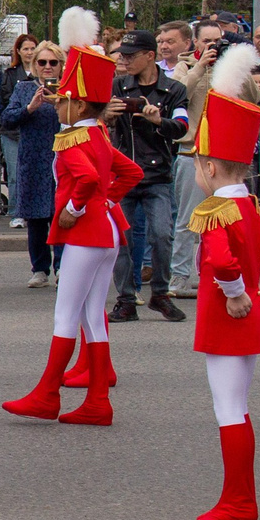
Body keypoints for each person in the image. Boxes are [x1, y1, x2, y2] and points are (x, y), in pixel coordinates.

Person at [4, 9, 140, 426]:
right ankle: (98, 400)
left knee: (68, 314)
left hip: (84, 233)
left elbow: (81, 179)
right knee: (93, 314)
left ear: (79, 102)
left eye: (64, 100)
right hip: (107, 231)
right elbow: (129, 172)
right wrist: (104, 202)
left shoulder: (71, 138)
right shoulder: (97, 132)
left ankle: (48, 394)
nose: (59, 105)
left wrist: (74, 210)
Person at [181, 46, 260, 520]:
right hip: (251, 318)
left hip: (228, 320)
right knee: (239, 407)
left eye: (198, 165)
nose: (196, 173)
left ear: (213, 169)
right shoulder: (253, 207)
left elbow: (220, 260)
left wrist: (238, 288)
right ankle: (241, 498)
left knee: (229, 411)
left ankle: (239, 503)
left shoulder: (215, 209)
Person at [105, 29, 188, 323]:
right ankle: (126, 300)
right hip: (123, 174)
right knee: (123, 239)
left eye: (130, 56)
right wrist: (108, 115)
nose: (124, 61)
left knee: (162, 235)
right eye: (122, 55)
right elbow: (94, 120)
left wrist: (159, 121)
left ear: (149, 56)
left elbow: (182, 126)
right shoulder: (116, 86)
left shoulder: (175, 89)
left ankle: (161, 294)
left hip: (157, 175)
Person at [0, 40, 62, 285]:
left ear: (61, 65)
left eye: (53, 62)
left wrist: (60, 104)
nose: (47, 67)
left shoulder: (68, 89)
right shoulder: (24, 88)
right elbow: (7, 118)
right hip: (33, 159)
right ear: (34, 64)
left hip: (61, 158)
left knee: (60, 215)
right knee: (36, 218)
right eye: (42, 62)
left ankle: (62, 267)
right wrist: (29, 108)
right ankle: (40, 268)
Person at [0, 33, 39, 229]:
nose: (29, 52)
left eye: (32, 48)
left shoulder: (42, 73)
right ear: (18, 51)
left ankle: (35, 211)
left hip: (34, 131)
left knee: (35, 172)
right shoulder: (10, 74)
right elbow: (7, 99)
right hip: (13, 132)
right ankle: (16, 212)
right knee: (14, 173)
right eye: (25, 48)